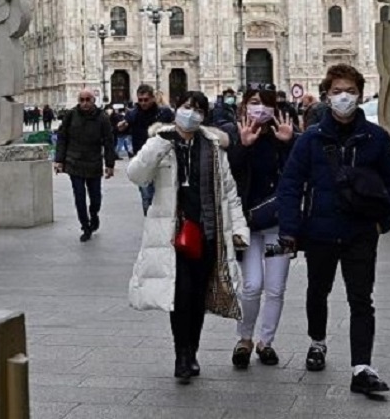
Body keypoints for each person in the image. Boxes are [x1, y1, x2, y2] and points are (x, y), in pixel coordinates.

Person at [277, 64, 390, 399]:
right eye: (336, 91)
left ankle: (361, 367)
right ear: (326, 95)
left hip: (361, 232)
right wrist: (290, 228)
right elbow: (290, 185)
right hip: (319, 230)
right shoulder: (310, 140)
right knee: (318, 291)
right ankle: (317, 341)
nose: (343, 97)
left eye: (349, 91)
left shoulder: (375, 138)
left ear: (360, 94)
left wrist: (383, 221)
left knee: (361, 299)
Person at [126, 91, 248, 384]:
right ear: (176, 109)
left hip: (207, 232)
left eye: (196, 110)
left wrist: (240, 230)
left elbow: (229, 192)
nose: (190, 113)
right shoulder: (161, 142)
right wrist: (158, 145)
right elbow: (136, 174)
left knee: (195, 298)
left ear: (204, 116)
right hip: (173, 234)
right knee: (180, 295)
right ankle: (181, 354)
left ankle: (191, 350)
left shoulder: (214, 147)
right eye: (185, 107)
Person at [225, 85, 296, 368]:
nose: (260, 108)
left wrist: (288, 143)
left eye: (266, 103)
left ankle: (266, 342)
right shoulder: (233, 134)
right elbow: (227, 175)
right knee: (252, 285)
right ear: (244, 106)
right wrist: (243, 146)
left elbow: (297, 176)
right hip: (246, 225)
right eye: (254, 102)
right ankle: (244, 339)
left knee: (276, 288)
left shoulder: (285, 134)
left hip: (280, 224)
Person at [54, 89, 116, 242]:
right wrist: (59, 160)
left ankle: (93, 214)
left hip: (94, 162)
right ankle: (85, 226)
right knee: (79, 197)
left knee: (96, 198)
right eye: (81, 100)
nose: (85, 103)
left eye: (88, 99)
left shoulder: (102, 118)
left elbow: (108, 141)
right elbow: (62, 138)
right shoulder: (71, 115)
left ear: (94, 100)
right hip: (74, 161)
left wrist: (109, 164)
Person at [117, 85, 175, 214]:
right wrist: (121, 127)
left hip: (163, 159)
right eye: (140, 100)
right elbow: (124, 127)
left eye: (146, 99)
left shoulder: (164, 113)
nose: (143, 103)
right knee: (146, 195)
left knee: (165, 193)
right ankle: (150, 223)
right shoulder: (133, 114)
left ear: (153, 98)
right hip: (143, 160)